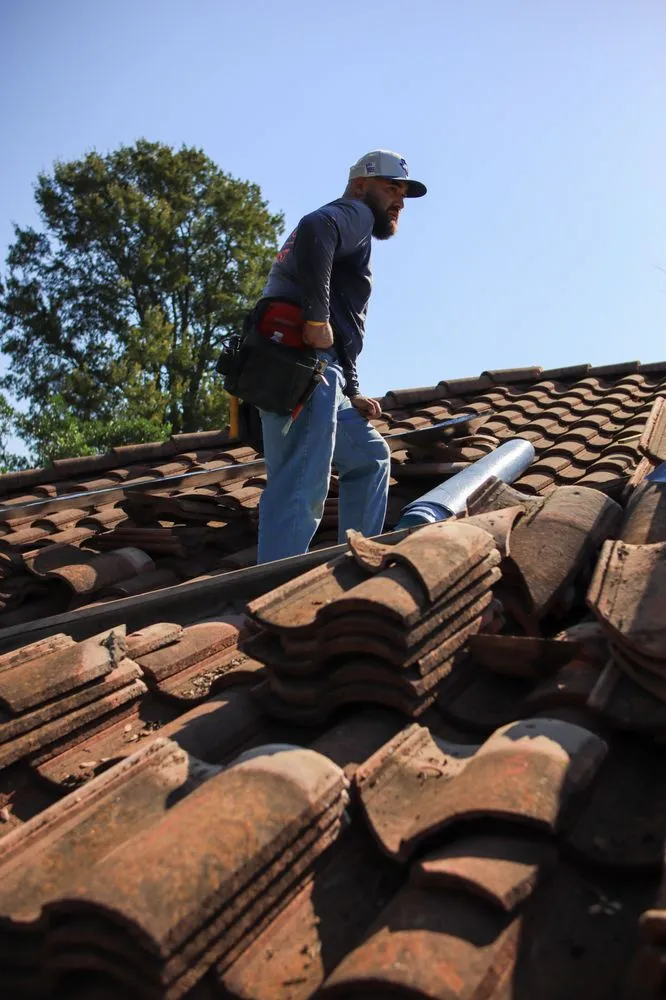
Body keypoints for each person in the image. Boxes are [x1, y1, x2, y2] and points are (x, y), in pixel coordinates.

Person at [255, 149, 427, 563]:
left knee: (370, 458)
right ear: (360, 186)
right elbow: (316, 226)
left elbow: (342, 324)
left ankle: (355, 565)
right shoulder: (353, 213)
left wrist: (351, 389)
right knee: (301, 480)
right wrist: (315, 319)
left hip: (320, 373)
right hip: (302, 367)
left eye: (402, 194)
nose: (399, 202)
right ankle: (271, 592)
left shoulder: (356, 230)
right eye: (391, 189)